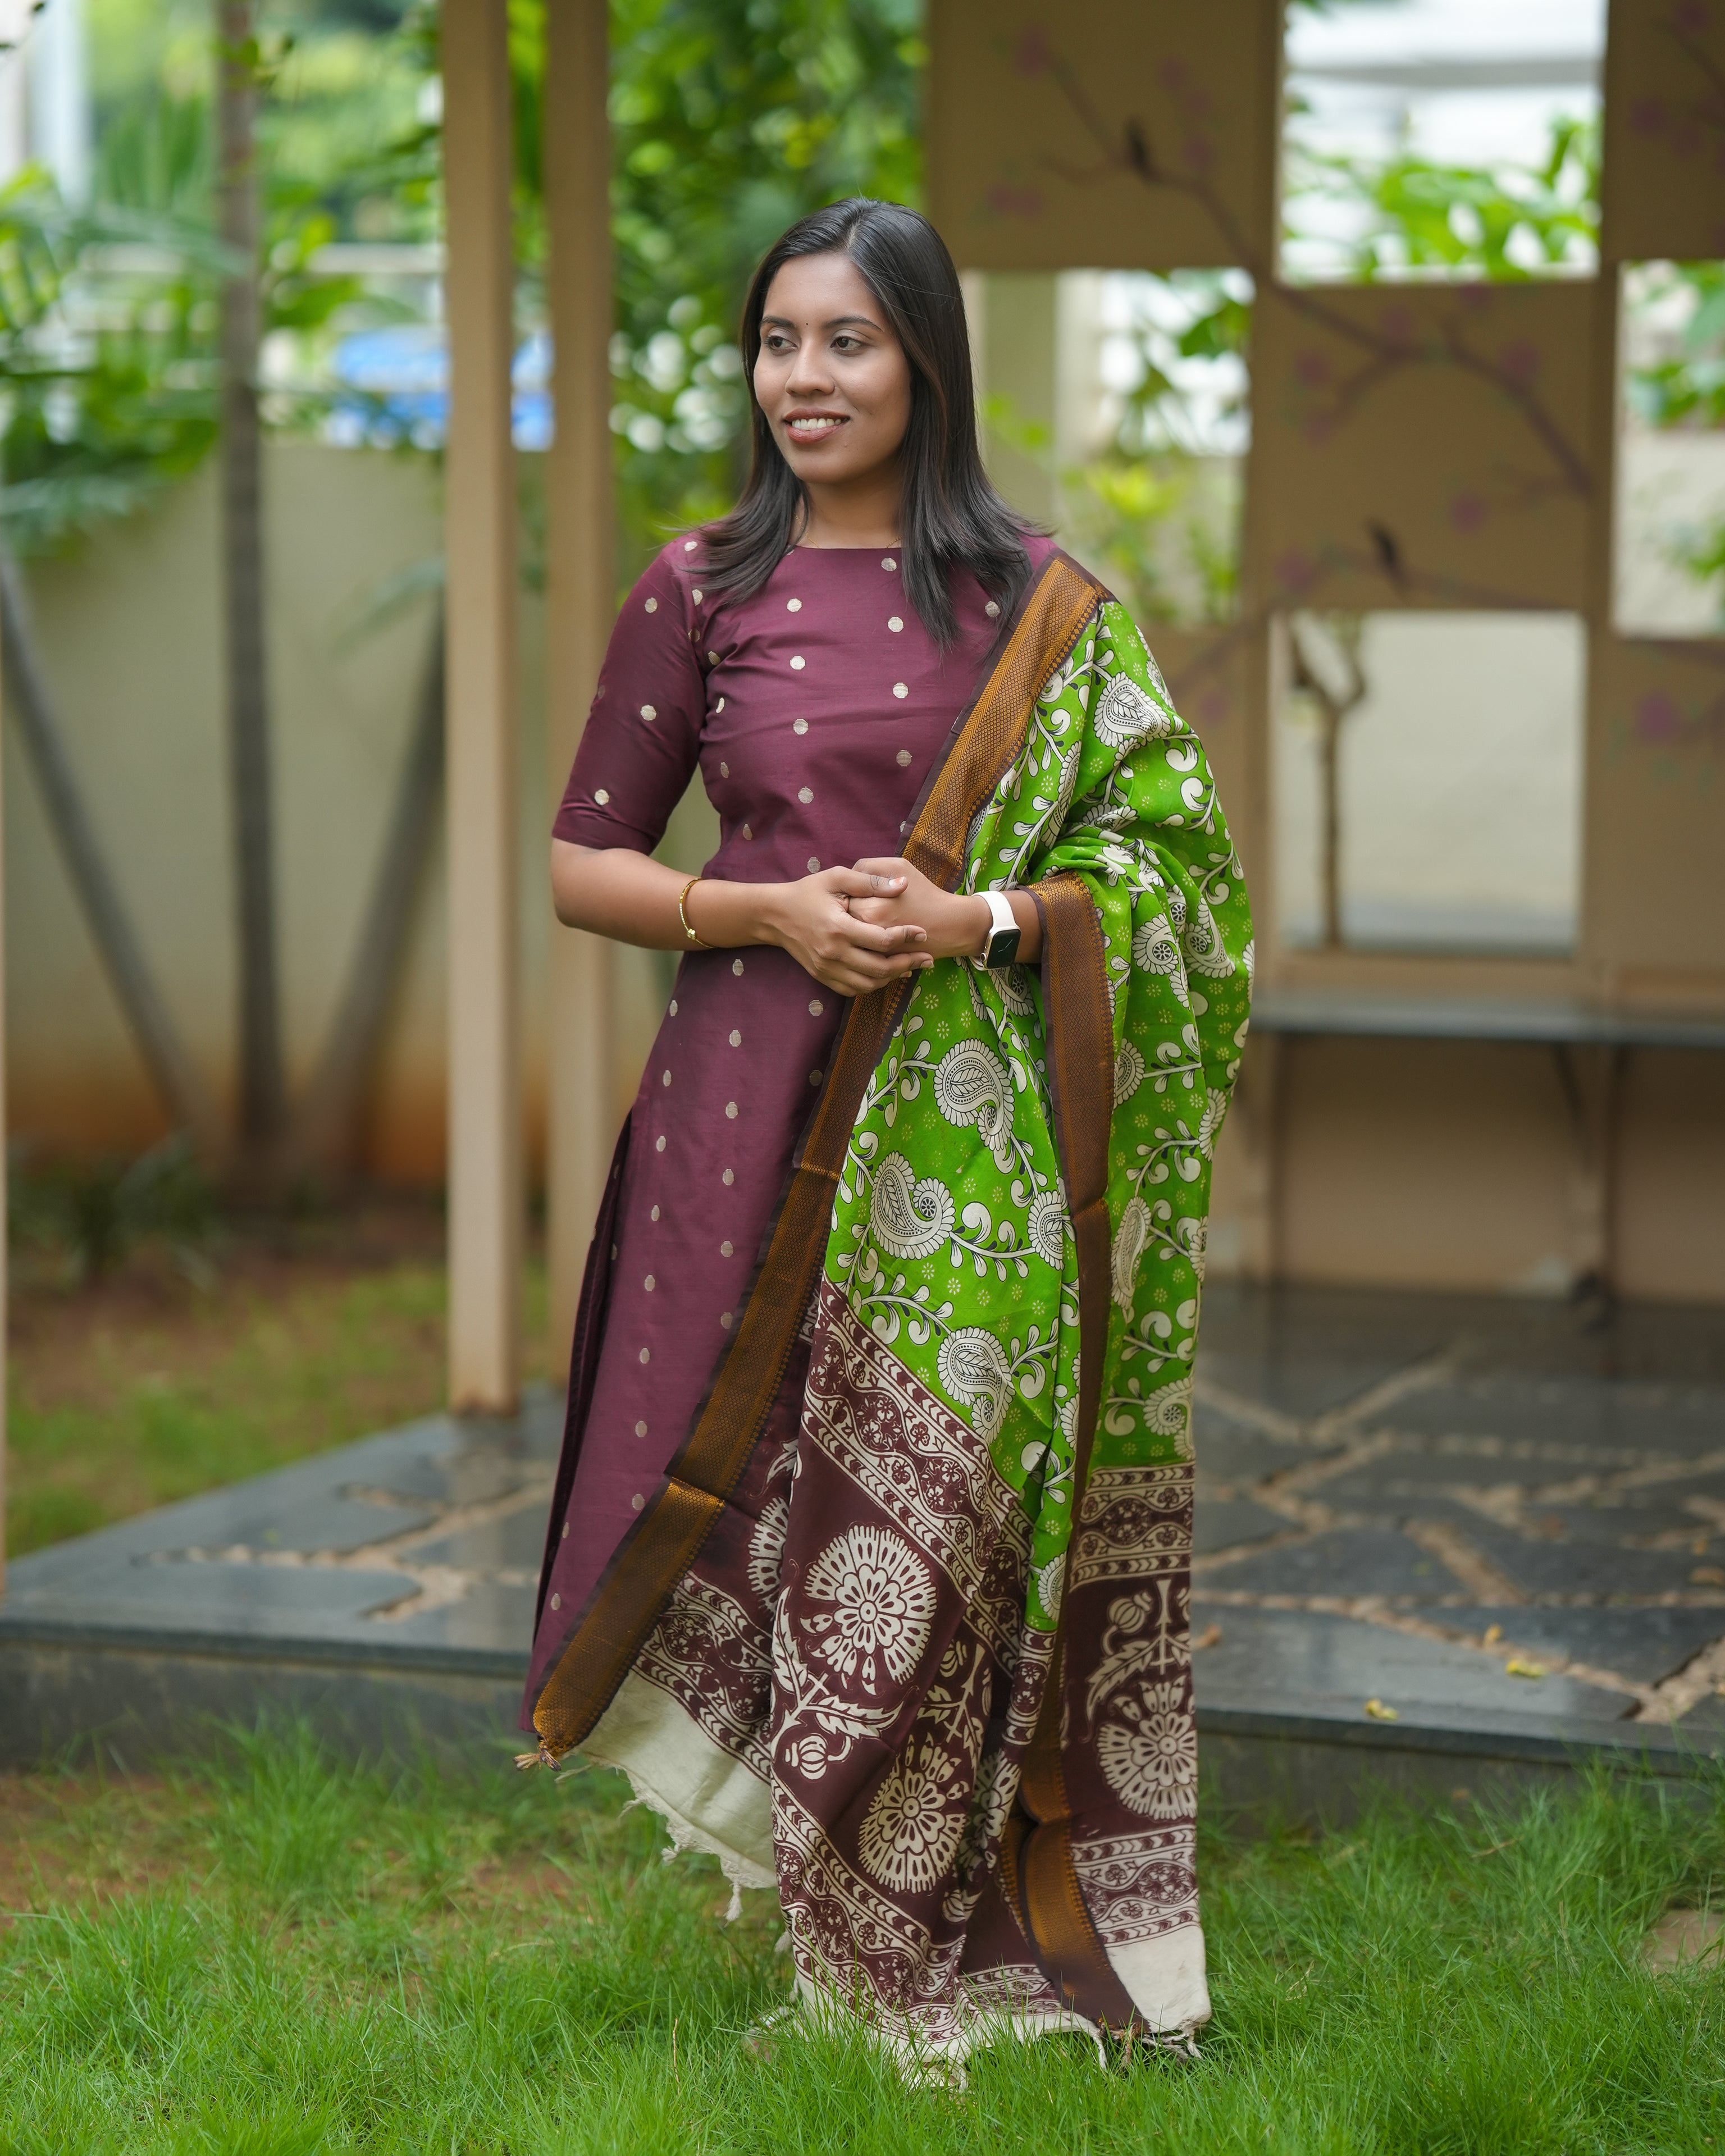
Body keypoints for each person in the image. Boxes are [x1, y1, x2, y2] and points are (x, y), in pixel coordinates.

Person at [521, 196, 1253, 2071]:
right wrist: (755, 910)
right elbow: (580, 863)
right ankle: (830, 1944)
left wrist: (985, 923)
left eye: (846, 340)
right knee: (765, 1519)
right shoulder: (701, 588)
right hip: (737, 1123)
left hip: (970, 1154)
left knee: (940, 1521)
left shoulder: (1041, 605)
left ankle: (933, 1928)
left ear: (925, 355)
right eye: (778, 342)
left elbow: (1177, 870)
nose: (804, 379)